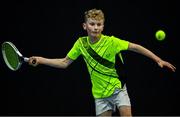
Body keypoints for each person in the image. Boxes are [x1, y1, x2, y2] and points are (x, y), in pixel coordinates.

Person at [28, 8, 176, 116]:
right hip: (99, 95)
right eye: (92, 24)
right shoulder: (80, 44)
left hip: (118, 90)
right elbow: (64, 62)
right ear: (85, 26)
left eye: (99, 24)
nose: (95, 27)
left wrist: (158, 59)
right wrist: (41, 60)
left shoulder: (112, 42)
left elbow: (135, 47)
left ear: (103, 26)